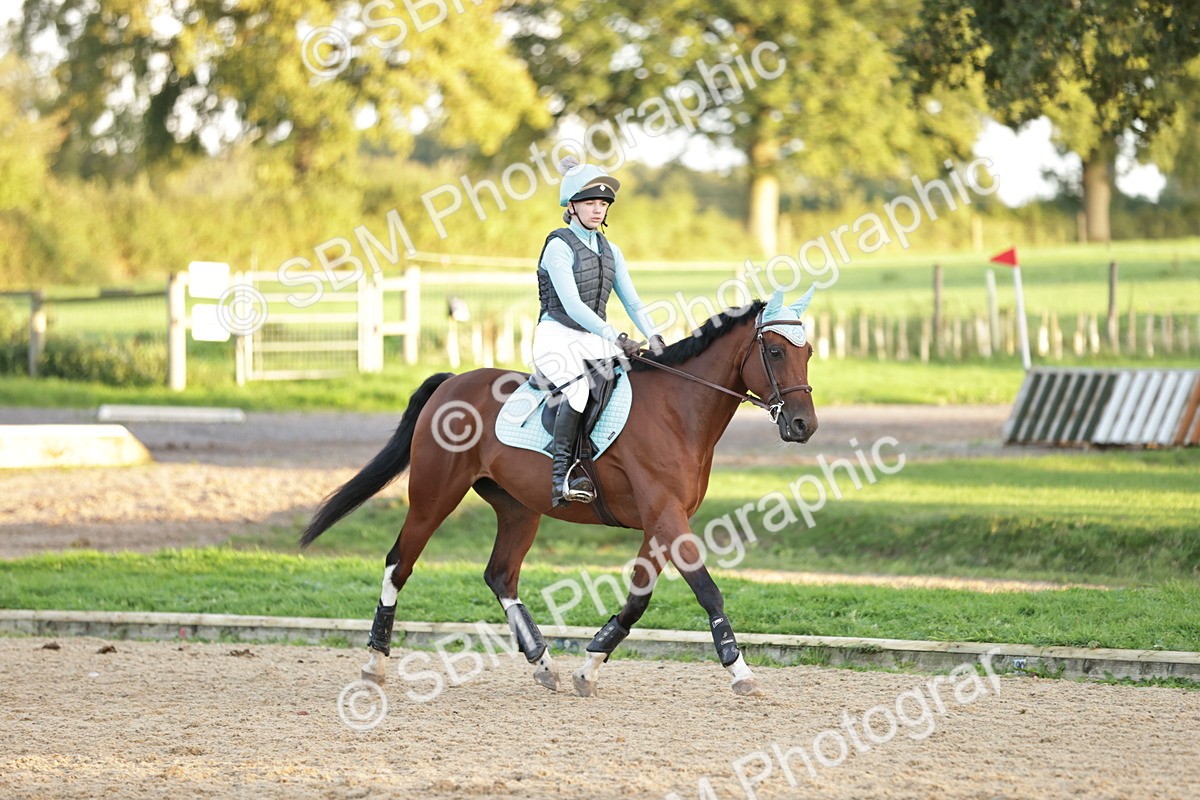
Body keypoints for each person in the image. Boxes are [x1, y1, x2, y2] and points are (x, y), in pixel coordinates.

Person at [532, 157, 665, 508]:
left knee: (634, 378)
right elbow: (574, 306)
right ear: (571, 206)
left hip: (594, 338)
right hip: (556, 335)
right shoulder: (558, 246)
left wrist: (654, 336)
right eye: (590, 203)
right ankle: (561, 477)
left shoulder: (611, 250)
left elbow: (633, 302)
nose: (597, 209)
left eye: (603, 204)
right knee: (577, 388)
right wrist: (615, 335)